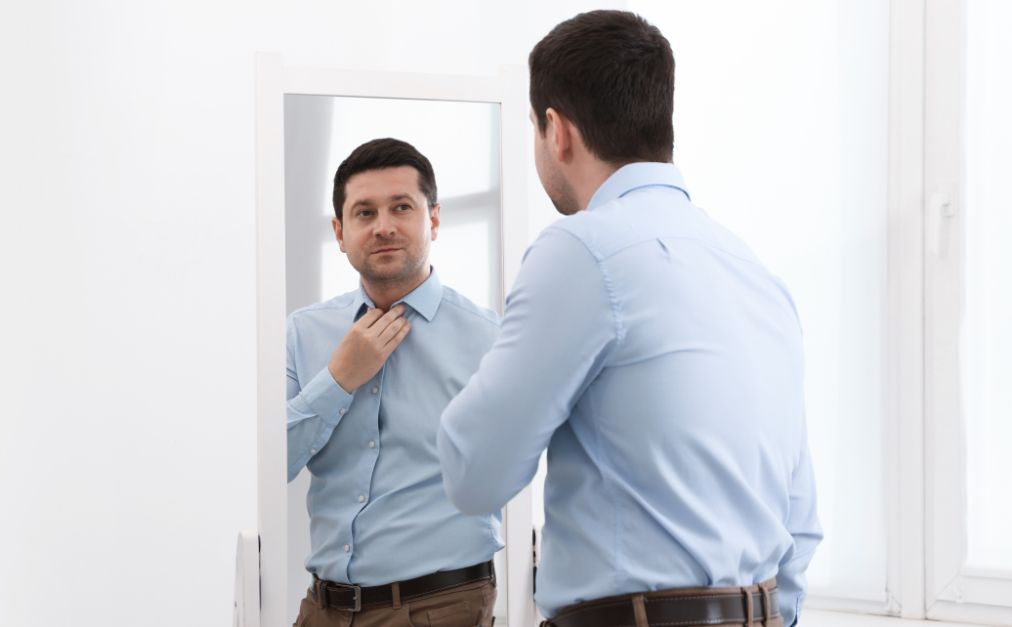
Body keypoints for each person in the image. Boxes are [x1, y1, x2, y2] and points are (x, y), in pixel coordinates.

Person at [437, 11, 821, 627]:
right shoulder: (753, 271)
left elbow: (474, 474)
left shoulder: (581, 250)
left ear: (556, 131)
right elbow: (799, 519)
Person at [287, 138, 501, 627]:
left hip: (441, 608)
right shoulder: (304, 331)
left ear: (434, 219)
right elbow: (270, 461)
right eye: (364, 213)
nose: (383, 226)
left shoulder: (490, 338)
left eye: (401, 207)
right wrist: (338, 379)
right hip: (321, 608)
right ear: (340, 232)